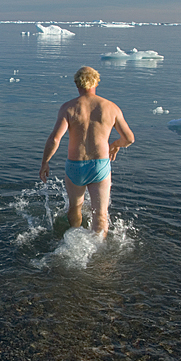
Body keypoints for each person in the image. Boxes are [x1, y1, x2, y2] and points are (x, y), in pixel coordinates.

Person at [40, 66, 134, 238]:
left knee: (75, 207)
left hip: (75, 165)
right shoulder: (111, 107)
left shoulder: (69, 108)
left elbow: (55, 139)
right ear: (96, 82)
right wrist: (116, 145)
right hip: (100, 165)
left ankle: (74, 238)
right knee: (100, 213)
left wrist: (45, 162)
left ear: (77, 83)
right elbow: (129, 138)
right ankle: (98, 253)